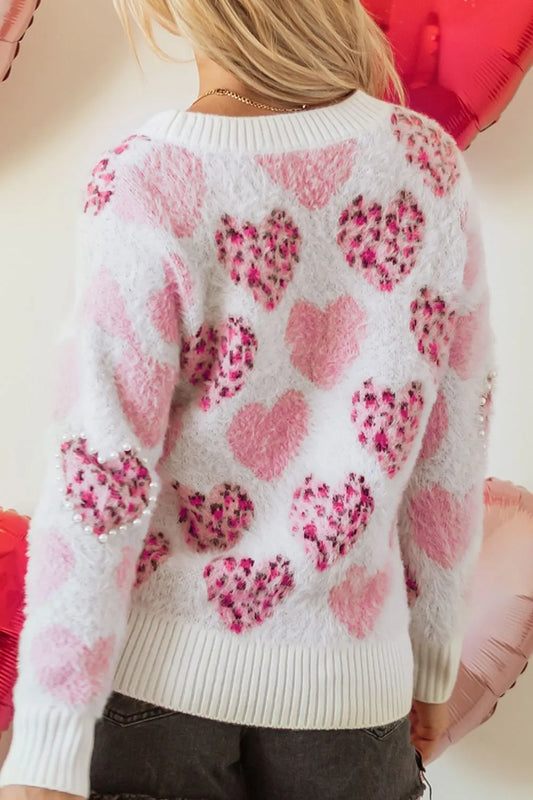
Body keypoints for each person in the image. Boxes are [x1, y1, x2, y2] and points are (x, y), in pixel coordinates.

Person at [0, 1, 495, 799]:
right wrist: (433, 657)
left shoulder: (147, 181)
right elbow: (450, 443)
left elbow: (100, 479)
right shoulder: (423, 164)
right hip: (351, 695)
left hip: (154, 692)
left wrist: (46, 748)